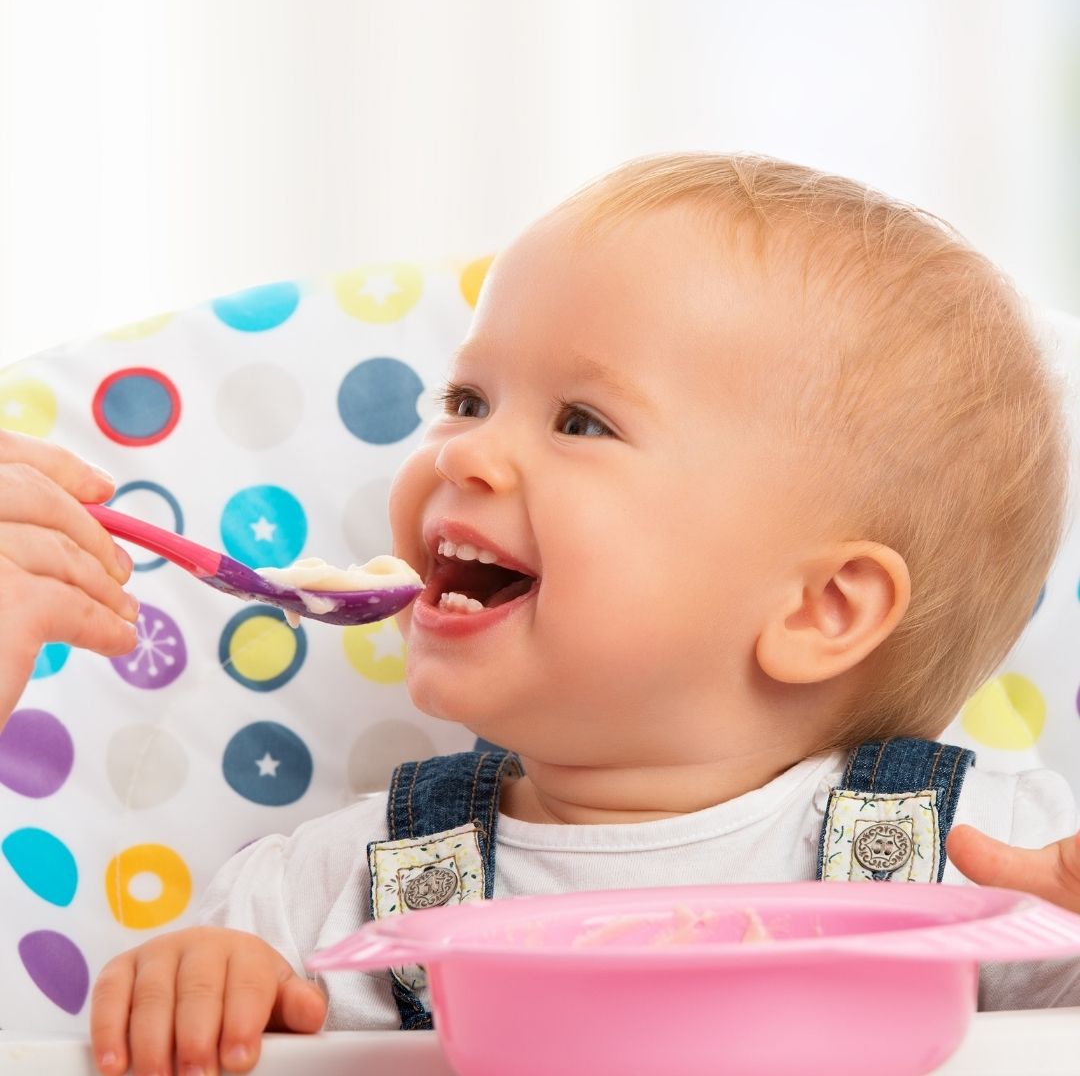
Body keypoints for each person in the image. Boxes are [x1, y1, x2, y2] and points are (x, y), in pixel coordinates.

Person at [4, 152, 1079, 1075]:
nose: (458, 451)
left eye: (580, 421)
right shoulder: (315, 900)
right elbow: (218, 1020)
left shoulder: (994, 866)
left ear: (821, 609)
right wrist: (207, 998)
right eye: (466, 401)